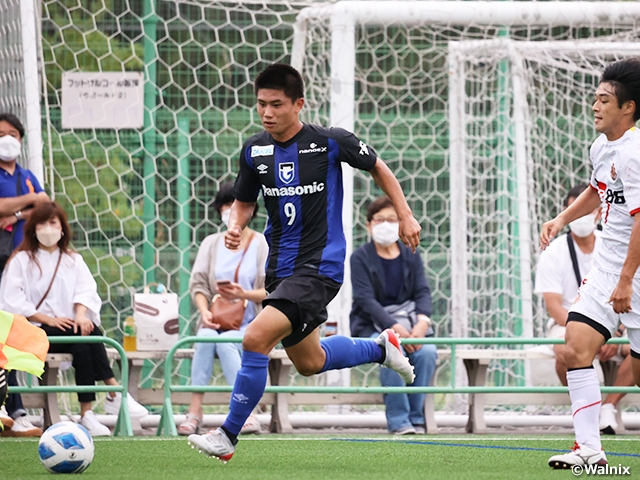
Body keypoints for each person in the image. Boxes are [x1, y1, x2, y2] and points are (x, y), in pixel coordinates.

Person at [188, 63, 421, 462]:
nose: (267, 112)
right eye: (261, 104)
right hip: (280, 269)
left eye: (276, 104)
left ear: (299, 104)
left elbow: (378, 167)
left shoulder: (330, 142)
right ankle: (382, 350)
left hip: (320, 266)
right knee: (310, 361)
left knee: (254, 338)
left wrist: (404, 214)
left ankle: (228, 434)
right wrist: (235, 223)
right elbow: (244, 200)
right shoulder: (254, 150)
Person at [542, 58, 640, 469]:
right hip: (607, 269)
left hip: (631, 271)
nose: (595, 106)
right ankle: (589, 450)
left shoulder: (635, 154)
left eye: (604, 100)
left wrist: (626, 280)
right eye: (594, 98)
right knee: (577, 343)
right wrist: (562, 218)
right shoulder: (601, 147)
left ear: (628, 108)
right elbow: (599, 191)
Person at [0, 201, 148, 436]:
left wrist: (81, 315)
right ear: (33, 228)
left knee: (83, 341)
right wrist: (48, 319)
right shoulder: (21, 260)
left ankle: (87, 413)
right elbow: (11, 301)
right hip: (34, 329)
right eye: (42, 223)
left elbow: (86, 291)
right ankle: (113, 391)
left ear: (62, 228)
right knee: (87, 334)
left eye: (53, 223)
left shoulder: (72, 259)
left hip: (69, 328)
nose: (48, 229)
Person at [534, 184, 634, 435]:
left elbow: (627, 290)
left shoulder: (612, 245)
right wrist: (591, 329)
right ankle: (587, 424)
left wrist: (615, 330)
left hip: (618, 318)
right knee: (568, 349)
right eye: (572, 210)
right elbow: (554, 306)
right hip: (569, 321)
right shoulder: (554, 251)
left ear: (600, 212)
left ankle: (607, 407)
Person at [178, 183, 268, 436]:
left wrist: (243, 294)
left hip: (250, 325)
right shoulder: (212, 243)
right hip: (214, 320)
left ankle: (244, 411)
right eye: (225, 207)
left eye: (236, 207)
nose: (230, 212)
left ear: (250, 211)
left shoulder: (261, 244)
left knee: (228, 340)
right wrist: (204, 312)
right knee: (205, 337)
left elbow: (271, 291)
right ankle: (194, 411)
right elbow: (197, 285)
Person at [350, 196, 437, 434]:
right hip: (373, 326)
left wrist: (422, 322)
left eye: (392, 219)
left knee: (427, 352)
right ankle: (399, 421)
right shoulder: (359, 257)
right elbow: (366, 300)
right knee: (390, 349)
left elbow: (422, 291)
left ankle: (416, 419)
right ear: (368, 224)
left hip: (411, 326)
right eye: (380, 219)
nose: (386, 224)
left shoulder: (410, 253)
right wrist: (393, 327)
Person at [0, 112, 50, 437]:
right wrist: (25, 209)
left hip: (20, 269)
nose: (7, 139)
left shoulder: (28, 176)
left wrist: (13, 210)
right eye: (1, 133)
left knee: (13, 336)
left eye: (12, 133)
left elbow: (46, 205)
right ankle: (9, 408)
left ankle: (15, 410)